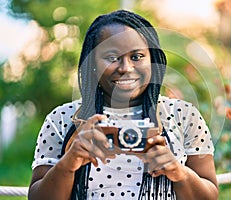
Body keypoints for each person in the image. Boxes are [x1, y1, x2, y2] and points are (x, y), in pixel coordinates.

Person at [28, 9, 219, 200]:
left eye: (136, 57)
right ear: (92, 62)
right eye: (112, 58)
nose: (126, 68)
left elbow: (210, 196)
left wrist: (179, 172)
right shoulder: (62, 118)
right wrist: (68, 163)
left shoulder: (183, 115)